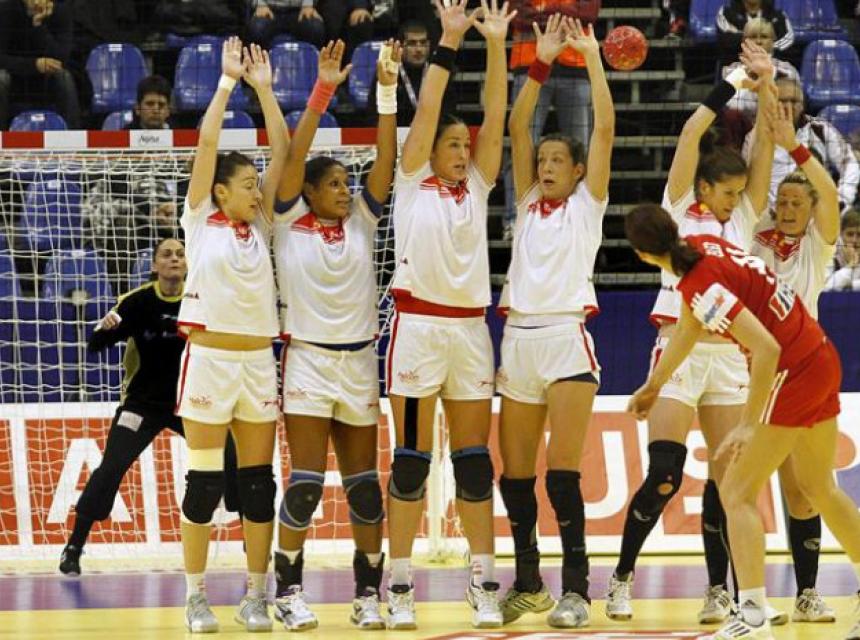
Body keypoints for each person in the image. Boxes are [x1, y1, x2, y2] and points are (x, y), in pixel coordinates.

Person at [624, 208, 860, 640]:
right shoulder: (702, 248)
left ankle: (751, 614)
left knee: (734, 492)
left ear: (641, 255)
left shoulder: (700, 286)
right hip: (820, 355)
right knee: (819, 487)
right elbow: (688, 329)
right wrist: (654, 385)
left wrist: (749, 424)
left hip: (791, 370)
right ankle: (755, 611)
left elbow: (766, 349)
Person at [603, 41, 777, 625]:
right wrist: (734, 83)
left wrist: (767, 84)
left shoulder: (742, 217)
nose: (735, 203)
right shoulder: (679, 208)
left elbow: (767, 143)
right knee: (664, 476)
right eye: (727, 193)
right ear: (704, 188)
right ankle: (621, 578)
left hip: (728, 359)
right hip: (677, 353)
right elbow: (690, 132)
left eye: (739, 194)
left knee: (728, 485)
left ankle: (718, 590)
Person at [384, 0, 513, 629]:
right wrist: (450, 40)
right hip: (418, 329)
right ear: (430, 149)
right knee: (410, 464)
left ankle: (484, 580)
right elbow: (430, 105)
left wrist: (497, 44)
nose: (464, 151)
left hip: (469, 331)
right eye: (453, 144)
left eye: (467, 144)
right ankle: (399, 584)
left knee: (474, 463)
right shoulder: (412, 179)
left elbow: (498, 112)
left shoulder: (478, 187)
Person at [268, 39, 397, 631]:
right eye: (337, 183)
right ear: (311, 192)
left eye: (349, 183)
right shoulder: (289, 220)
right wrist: (322, 91)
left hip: (359, 363)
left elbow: (387, 162)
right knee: (304, 486)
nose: (347, 190)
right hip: (309, 363)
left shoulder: (363, 223)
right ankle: (288, 590)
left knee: (366, 490)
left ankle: (368, 592)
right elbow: (294, 157)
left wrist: (387, 95)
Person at [495, 14, 613, 629]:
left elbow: (605, 130)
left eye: (557, 159)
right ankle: (527, 583)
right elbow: (518, 125)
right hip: (517, 340)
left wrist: (590, 58)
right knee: (515, 479)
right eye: (542, 159)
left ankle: (577, 590)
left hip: (566, 339)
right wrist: (538, 63)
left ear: (576, 170)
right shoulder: (525, 202)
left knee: (562, 478)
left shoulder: (588, 206)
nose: (545, 165)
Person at [175, 38, 287, 633]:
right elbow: (208, 144)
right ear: (221, 191)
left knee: (258, 486)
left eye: (256, 183)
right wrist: (225, 84)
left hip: (257, 364)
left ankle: (255, 595)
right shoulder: (199, 218)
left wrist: (264, 90)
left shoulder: (262, 223)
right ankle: (195, 595)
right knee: (203, 484)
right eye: (247, 183)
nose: (256, 189)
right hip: (209, 361)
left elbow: (283, 149)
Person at [57, 239, 241, 576]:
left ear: (188, 263)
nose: (174, 259)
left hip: (190, 404)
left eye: (180, 254)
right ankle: (74, 546)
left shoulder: (200, 301)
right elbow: (95, 344)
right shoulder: (136, 302)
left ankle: (251, 543)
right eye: (166, 254)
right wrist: (106, 327)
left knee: (232, 458)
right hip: (142, 405)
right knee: (111, 467)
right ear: (154, 265)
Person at [745, 101, 842, 623]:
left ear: (809, 211)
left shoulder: (817, 247)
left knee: (803, 490)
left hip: (802, 373)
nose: (785, 208)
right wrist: (766, 110)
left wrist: (796, 148)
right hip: (754, 371)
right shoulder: (755, 234)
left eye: (796, 203)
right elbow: (756, 180)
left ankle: (806, 593)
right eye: (781, 201)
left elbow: (829, 194)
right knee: (737, 487)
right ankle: (740, 597)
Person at [501, 0, 598, 240]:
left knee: (581, 153)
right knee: (521, 146)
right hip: (530, 62)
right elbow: (518, 15)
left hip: (576, 65)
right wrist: (564, 16)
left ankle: (582, 218)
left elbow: (589, 14)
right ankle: (514, 218)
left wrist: (545, 13)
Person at [743, 75, 860, 214]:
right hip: (771, 215)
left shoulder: (820, 129)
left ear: (802, 105)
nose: (788, 106)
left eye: (794, 101)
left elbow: (850, 163)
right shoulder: (756, 137)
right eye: (782, 100)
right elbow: (749, 181)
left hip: (817, 213)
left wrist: (841, 200)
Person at [0, 0, 80, 129]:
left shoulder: (60, 11)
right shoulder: (5, 9)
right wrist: (34, 65)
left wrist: (38, 25)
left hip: (46, 82)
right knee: (1, 78)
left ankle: (74, 135)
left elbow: (61, 58)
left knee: (64, 77)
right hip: (14, 79)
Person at [367, 20, 455, 126]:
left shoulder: (438, 72)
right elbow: (374, 113)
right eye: (412, 43)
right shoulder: (389, 72)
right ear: (401, 47)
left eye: (423, 43)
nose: (419, 49)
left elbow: (448, 113)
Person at [721, 19, 799, 124]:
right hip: (742, 126)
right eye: (753, 37)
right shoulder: (731, 70)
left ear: (773, 41)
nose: (758, 41)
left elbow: (792, 106)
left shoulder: (788, 70)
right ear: (744, 42)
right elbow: (733, 108)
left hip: (778, 123)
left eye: (764, 37)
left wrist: (767, 75)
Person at [248, 0, 373, 60]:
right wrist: (260, 5)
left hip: (299, 10)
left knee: (315, 29)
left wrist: (308, 5)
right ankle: (255, 85)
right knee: (257, 29)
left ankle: (316, 80)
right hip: (266, 9)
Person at [717, 0, 794, 58]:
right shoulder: (726, 13)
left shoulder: (778, 16)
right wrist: (764, 43)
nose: (758, 41)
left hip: (772, 64)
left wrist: (767, 49)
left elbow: (787, 39)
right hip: (736, 65)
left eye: (764, 37)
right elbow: (726, 40)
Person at [825, 209, 860, 290]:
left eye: (859, 235)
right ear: (841, 235)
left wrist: (851, 286)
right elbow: (825, 290)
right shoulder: (830, 259)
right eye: (850, 234)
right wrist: (850, 266)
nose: (854, 240)